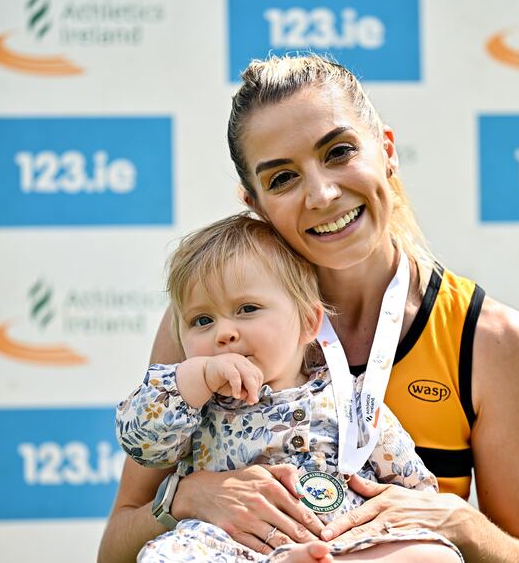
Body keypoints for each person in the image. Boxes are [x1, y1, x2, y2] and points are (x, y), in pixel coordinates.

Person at [99, 54, 519, 563]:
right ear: (255, 202)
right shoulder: (210, 326)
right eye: (283, 179)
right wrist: (186, 498)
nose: (323, 193)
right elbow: (114, 549)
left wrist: (456, 521)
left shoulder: (488, 336)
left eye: (338, 152)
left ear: (387, 150)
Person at [116, 213, 462, 562]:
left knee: (434, 555)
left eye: (247, 309)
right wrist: (195, 379)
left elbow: (415, 488)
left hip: (343, 540)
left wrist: (409, 509)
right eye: (201, 321)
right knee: (165, 555)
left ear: (309, 322)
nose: (224, 333)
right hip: (229, 546)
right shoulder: (193, 405)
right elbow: (141, 443)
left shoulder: (352, 397)